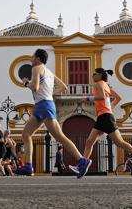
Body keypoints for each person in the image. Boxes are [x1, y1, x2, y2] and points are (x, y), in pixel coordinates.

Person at [15, 49, 91, 178]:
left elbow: (35, 87)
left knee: (60, 137)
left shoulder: (37, 68)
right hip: (42, 105)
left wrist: (26, 83)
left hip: (44, 105)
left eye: (32, 56)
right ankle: (28, 166)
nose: (31, 59)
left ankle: (82, 160)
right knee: (26, 134)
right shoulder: (49, 72)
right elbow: (63, 87)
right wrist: (49, 93)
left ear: (38, 58)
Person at [69, 68, 132, 176]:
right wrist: (110, 107)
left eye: (94, 74)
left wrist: (87, 98)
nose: (92, 76)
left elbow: (102, 97)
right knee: (89, 142)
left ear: (99, 75)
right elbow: (117, 98)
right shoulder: (105, 85)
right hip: (103, 116)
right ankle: (83, 165)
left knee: (119, 142)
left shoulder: (99, 84)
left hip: (105, 117)